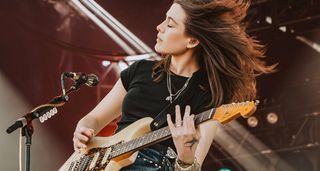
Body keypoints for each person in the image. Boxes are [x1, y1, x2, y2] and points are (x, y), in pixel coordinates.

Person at [72, 0, 275, 170]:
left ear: (192, 41)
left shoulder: (208, 94)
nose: (159, 27)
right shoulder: (140, 70)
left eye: (170, 24)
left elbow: (194, 165)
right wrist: (84, 129)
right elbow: (94, 119)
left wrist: (185, 154)